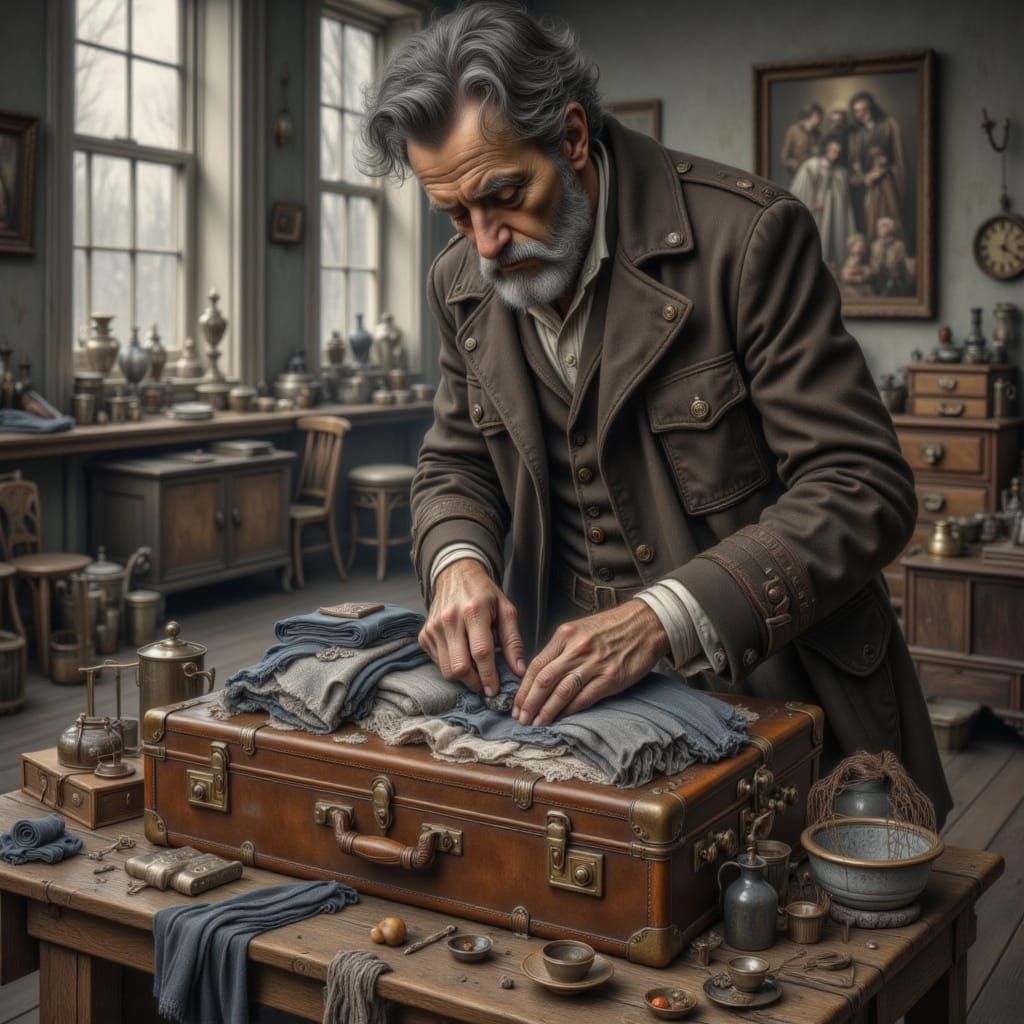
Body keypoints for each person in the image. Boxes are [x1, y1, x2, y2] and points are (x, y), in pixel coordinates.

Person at [360, 2, 951, 823]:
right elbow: (456, 463)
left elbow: (863, 488)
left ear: (571, 137)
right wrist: (457, 561)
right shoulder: (458, 281)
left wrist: (660, 619)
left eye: (505, 196)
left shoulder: (750, 239)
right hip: (565, 706)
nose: (486, 244)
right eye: (456, 214)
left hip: (776, 689)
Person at [789, 139, 856, 273]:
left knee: (835, 235)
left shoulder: (841, 172)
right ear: (826, 150)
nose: (836, 154)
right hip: (819, 209)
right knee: (820, 234)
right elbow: (804, 187)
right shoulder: (813, 165)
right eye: (833, 151)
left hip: (835, 209)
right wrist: (813, 201)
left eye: (838, 152)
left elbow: (843, 194)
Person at [779, 103, 823, 182]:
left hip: (813, 173)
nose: (819, 119)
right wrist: (794, 164)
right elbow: (784, 158)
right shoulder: (793, 130)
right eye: (816, 116)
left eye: (820, 116)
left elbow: (819, 155)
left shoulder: (817, 134)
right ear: (808, 116)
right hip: (796, 173)